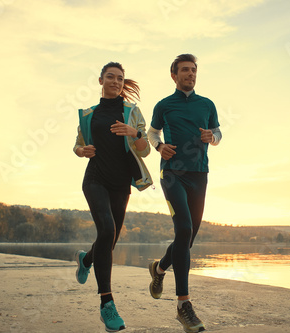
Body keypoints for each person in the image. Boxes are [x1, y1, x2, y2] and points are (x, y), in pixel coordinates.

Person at [73, 61, 152, 332]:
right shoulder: (89, 114)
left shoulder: (131, 112)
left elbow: (144, 149)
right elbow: (78, 145)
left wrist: (135, 132)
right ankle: (107, 304)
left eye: (120, 78)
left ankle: (86, 259)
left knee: (111, 238)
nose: (116, 81)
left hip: (121, 182)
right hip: (95, 178)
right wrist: (81, 152)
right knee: (106, 230)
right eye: (111, 77)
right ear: (100, 80)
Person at [147, 54, 222, 333]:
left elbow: (218, 132)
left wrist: (211, 138)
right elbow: (152, 133)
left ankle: (159, 269)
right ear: (174, 75)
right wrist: (159, 146)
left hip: (199, 174)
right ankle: (183, 305)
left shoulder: (207, 104)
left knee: (187, 238)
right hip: (172, 173)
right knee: (184, 229)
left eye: (193, 70)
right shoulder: (164, 105)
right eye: (185, 70)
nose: (190, 74)